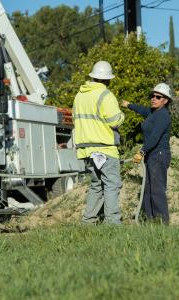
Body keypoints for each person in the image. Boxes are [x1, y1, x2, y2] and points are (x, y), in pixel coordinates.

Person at [72, 61, 125, 225]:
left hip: (87, 150)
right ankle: (112, 223)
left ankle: (88, 221)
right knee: (111, 184)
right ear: (107, 79)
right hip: (105, 149)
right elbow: (114, 121)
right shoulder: (105, 95)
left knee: (96, 184)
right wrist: (122, 115)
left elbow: (75, 119)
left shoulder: (79, 95)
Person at [121, 83, 172, 224]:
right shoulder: (153, 112)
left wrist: (142, 151)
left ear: (165, 101)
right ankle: (148, 220)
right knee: (147, 190)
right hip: (152, 155)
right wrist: (128, 105)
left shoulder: (163, 116)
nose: (153, 99)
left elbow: (155, 137)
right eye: (152, 96)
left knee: (156, 190)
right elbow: (142, 110)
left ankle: (162, 222)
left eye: (158, 97)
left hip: (159, 155)